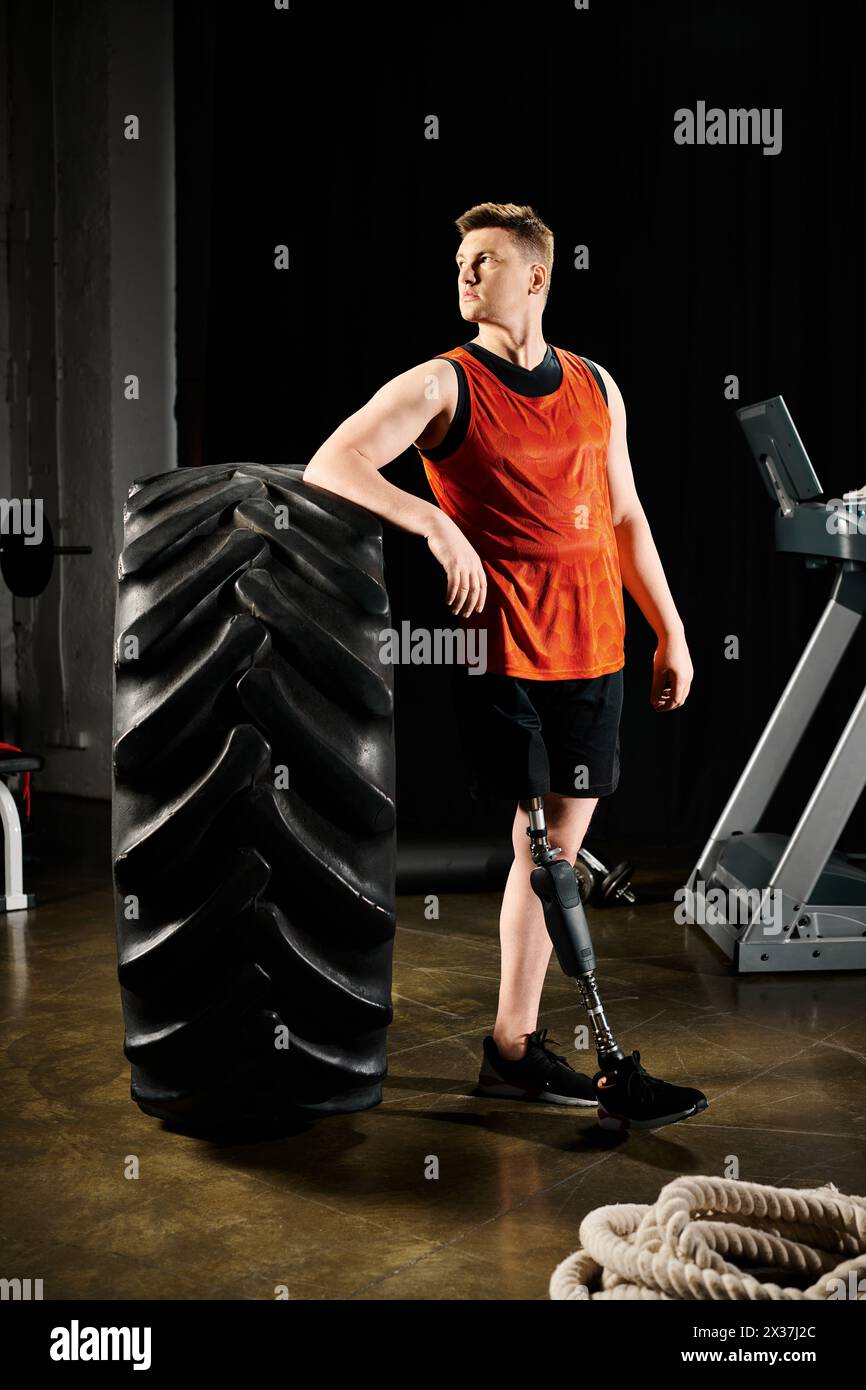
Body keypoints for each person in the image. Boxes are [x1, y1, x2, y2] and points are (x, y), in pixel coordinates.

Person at [304, 201, 700, 1118]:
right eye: (459, 262)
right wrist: (433, 521)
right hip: (507, 654)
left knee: (557, 848)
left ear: (537, 277)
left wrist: (670, 629)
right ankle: (591, 1060)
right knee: (545, 853)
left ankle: (511, 1050)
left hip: (597, 645)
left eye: (483, 260)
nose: (465, 273)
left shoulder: (597, 385)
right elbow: (335, 462)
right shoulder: (444, 383)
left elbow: (626, 516)